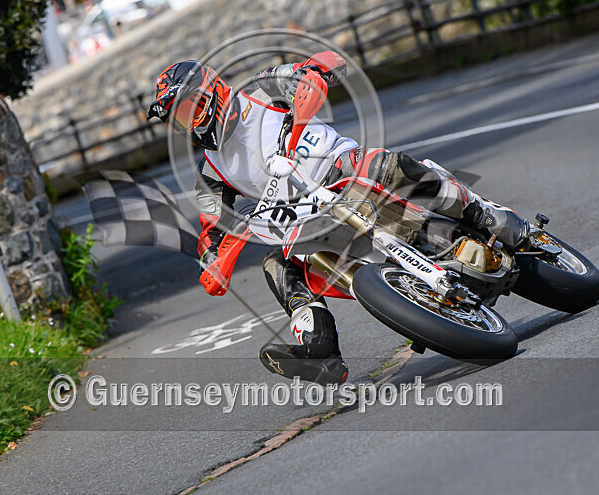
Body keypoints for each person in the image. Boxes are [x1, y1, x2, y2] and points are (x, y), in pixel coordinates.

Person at [147, 52, 529, 385]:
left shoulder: (261, 89)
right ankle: (321, 351)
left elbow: (325, 62)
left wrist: (313, 77)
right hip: (302, 214)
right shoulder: (210, 173)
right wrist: (212, 262)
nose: (188, 123)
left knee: (385, 164)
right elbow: (211, 229)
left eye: (188, 108)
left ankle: (484, 214)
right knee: (277, 265)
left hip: (339, 169)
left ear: (211, 89)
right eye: (177, 120)